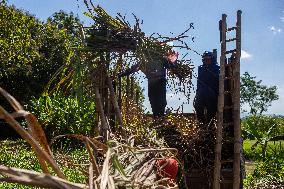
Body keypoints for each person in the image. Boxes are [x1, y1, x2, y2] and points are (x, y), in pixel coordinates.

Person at [118, 49, 179, 118]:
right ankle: (157, 118)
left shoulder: (162, 59)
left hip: (160, 82)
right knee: (154, 103)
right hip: (152, 84)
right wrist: (119, 75)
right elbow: (131, 69)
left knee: (161, 103)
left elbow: (173, 67)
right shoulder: (144, 61)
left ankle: (160, 118)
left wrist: (174, 59)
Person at [193, 51, 220, 124]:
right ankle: (201, 124)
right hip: (202, 93)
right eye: (205, 59)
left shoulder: (217, 68)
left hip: (212, 94)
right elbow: (199, 82)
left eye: (208, 59)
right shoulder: (201, 68)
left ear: (212, 59)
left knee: (211, 111)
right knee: (197, 106)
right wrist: (197, 92)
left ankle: (209, 126)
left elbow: (218, 82)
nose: (206, 61)